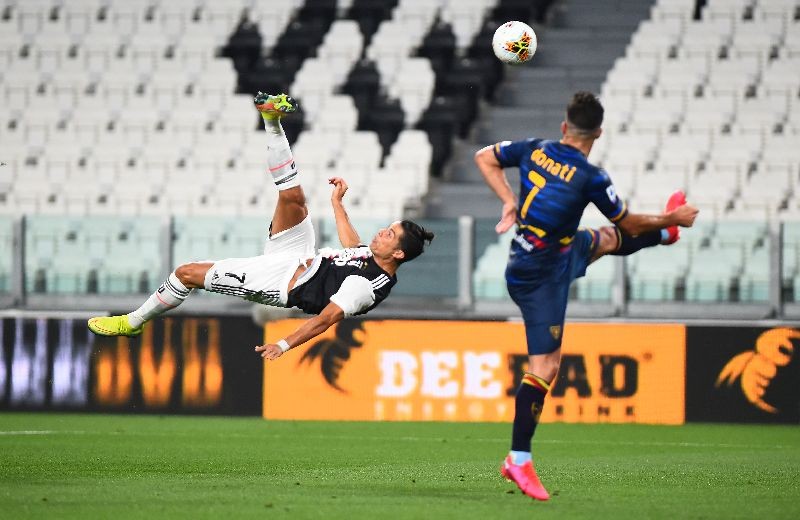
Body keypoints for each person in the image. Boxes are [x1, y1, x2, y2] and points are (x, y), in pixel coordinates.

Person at [88, 93, 434, 360]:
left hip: (280, 282)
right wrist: (337, 204)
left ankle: (133, 322)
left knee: (186, 273)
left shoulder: (367, 286)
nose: (382, 232)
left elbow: (327, 319)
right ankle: (271, 120)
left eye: (390, 234)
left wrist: (283, 344)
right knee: (293, 198)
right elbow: (351, 247)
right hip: (300, 255)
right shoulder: (371, 258)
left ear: (398, 253)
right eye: (386, 228)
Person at [473, 91, 698, 501]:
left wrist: (509, 201)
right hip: (540, 275)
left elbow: (484, 157)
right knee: (546, 366)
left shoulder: (535, 148)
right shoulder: (591, 177)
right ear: (598, 133)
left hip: (552, 250)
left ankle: (667, 235)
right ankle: (518, 460)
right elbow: (631, 223)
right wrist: (672, 214)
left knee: (606, 239)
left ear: (564, 127)